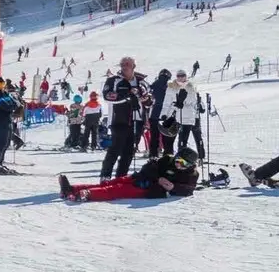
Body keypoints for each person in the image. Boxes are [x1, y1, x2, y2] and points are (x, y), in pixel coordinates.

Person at [60, 148, 199, 202]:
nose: (178, 165)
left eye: (183, 163)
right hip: (140, 178)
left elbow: (188, 189)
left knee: (115, 190)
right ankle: (71, 189)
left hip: (148, 189)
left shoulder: (191, 174)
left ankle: (87, 194)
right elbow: (149, 167)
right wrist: (158, 177)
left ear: (190, 165)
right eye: (178, 160)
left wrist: (172, 187)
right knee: (109, 183)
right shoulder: (167, 159)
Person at [100, 57, 150, 180]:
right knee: (115, 149)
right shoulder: (113, 80)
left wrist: (145, 99)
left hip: (137, 119)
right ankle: (105, 177)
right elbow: (107, 96)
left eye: (127, 64)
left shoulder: (141, 81)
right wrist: (127, 95)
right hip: (119, 119)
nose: (124, 66)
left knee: (130, 151)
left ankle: (120, 177)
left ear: (133, 66)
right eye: (122, 64)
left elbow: (149, 99)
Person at [157, 69, 200, 158]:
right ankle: (168, 159)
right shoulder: (171, 87)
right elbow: (166, 102)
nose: (180, 78)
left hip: (186, 117)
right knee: (168, 140)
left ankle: (181, 162)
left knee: (182, 142)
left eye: (182, 75)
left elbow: (193, 102)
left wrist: (182, 103)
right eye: (178, 76)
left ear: (186, 76)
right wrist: (163, 114)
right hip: (173, 116)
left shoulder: (191, 87)